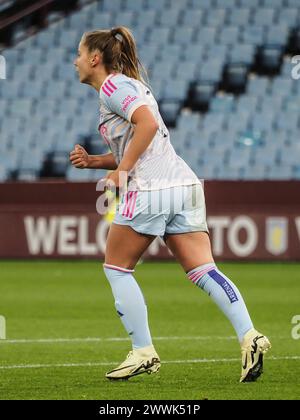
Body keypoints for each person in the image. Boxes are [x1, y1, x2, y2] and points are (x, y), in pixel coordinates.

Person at [70, 26, 271, 382]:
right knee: (204, 270)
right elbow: (141, 139)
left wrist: (123, 173)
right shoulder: (130, 86)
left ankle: (143, 351)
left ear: (95, 59)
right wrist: (97, 162)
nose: (76, 62)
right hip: (184, 184)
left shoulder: (114, 87)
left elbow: (146, 127)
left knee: (117, 268)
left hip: (152, 186)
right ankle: (250, 336)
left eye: (79, 54)